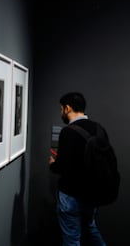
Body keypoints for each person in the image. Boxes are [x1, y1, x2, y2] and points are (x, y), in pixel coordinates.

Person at [49, 92, 106, 246]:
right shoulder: (99, 129)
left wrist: (53, 163)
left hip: (71, 195)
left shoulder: (68, 131)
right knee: (91, 228)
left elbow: (62, 167)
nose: (61, 113)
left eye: (61, 109)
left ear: (67, 108)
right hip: (93, 194)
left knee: (72, 239)